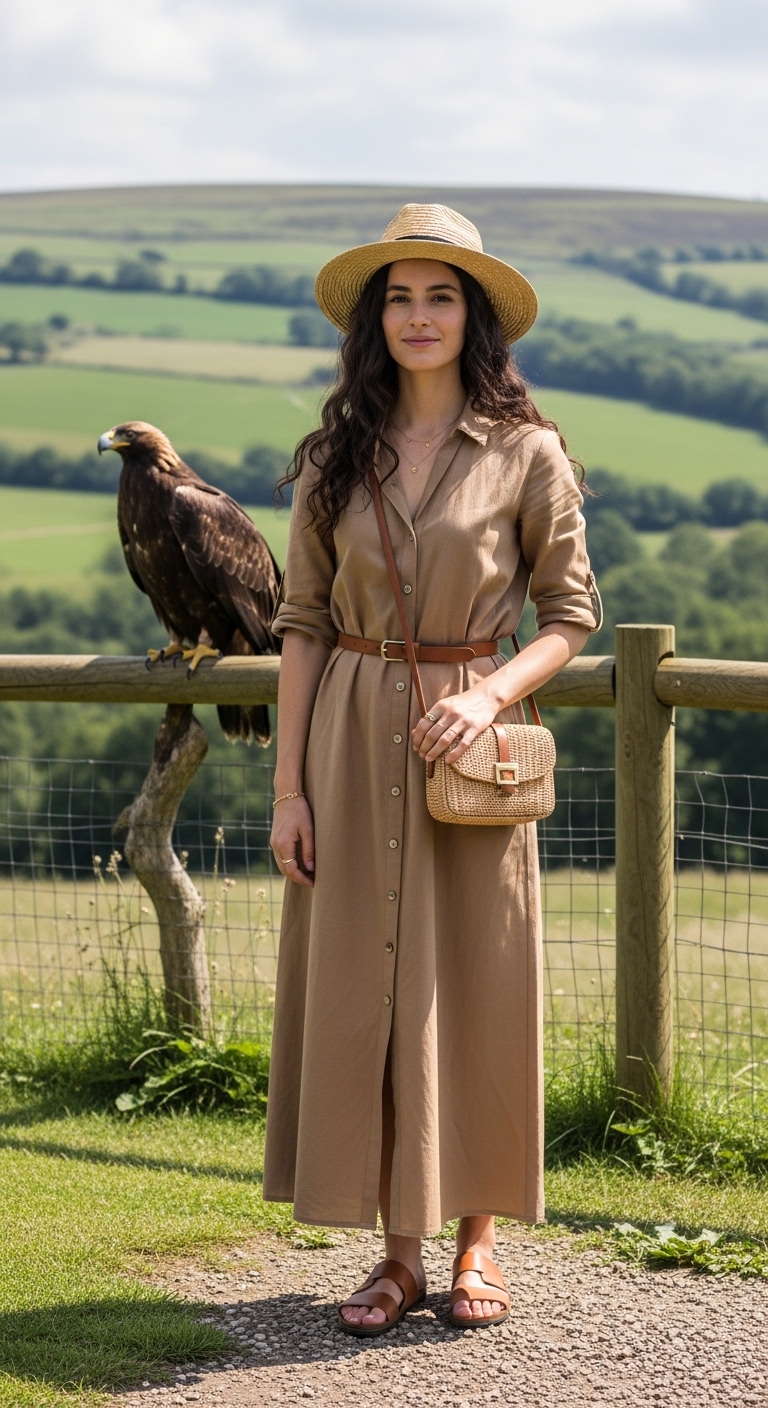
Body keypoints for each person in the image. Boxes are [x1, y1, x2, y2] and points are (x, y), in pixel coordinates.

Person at [265, 204, 600, 1336]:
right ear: (375, 320)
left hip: (476, 747)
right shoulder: (334, 458)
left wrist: (488, 693)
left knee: (475, 980)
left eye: (440, 296)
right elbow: (303, 625)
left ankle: (476, 1244)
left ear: (473, 318)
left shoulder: (528, 452)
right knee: (364, 984)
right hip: (349, 740)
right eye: (399, 298)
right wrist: (289, 791)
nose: (418, 316)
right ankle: (397, 1257)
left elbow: (571, 614)